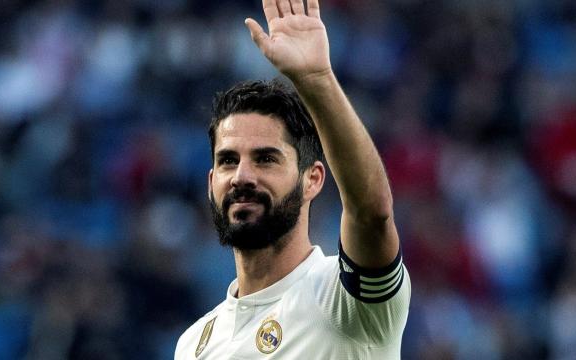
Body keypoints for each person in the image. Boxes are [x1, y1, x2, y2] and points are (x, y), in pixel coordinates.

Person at [175, 0, 410, 358]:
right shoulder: (193, 344)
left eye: (266, 159)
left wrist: (317, 81)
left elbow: (371, 214)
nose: (242, 176)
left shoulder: (343, 299)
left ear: (312, 179)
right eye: (228, 160)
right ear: (211, 183)